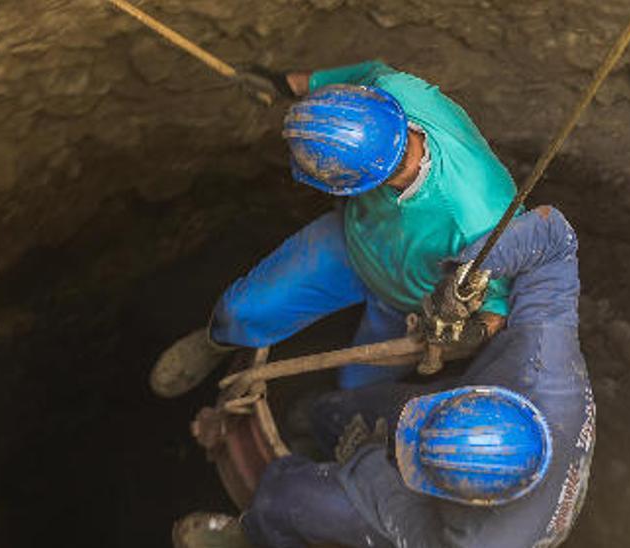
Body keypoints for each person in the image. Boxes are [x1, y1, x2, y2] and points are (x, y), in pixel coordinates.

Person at [174, 206, 595, 548]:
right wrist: (474, 271)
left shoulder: (479, 542)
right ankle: (313, 420)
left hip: (428, 528)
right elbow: (553, 239)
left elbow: (404, 519)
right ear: (492, 400)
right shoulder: (544, 364)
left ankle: (253, 534)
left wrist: (370, 463)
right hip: (456, 449)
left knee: (285, 498)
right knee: (339, 412)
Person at [151, 60, 516, 396]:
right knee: (242, 310)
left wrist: (471, 333)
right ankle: (217, 342)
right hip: (353, 240)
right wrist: (292, 84)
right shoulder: (392, 89)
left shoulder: (481, 219)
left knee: (357, 386)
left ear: (358, 183)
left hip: (410, 303)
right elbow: (367, 71)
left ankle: (349, 401)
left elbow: (498, 304)